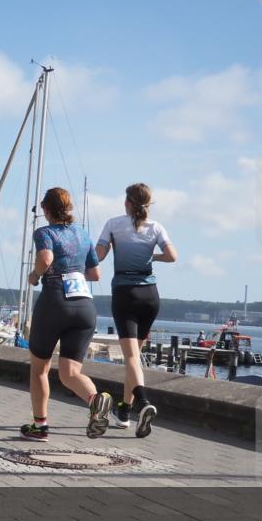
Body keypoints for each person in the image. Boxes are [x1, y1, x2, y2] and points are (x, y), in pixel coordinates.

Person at [21, 187, 112, 442]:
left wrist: (35, 275)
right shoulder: (83, 234)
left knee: (40, 369)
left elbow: (46, 258)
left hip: (54, 302)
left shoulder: (45, 232)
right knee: (70, 373)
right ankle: (95, 400)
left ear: (47, 210)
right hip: (84, 307)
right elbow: (95, 274)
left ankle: (40, 426)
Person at [95, 182, 177, 438]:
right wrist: (152, 257)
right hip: (150, 297)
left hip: (125, 295)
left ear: (127, 203)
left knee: (131, 358)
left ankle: (143, 402)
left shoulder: (113, 224)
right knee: (134, 361)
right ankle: (125, 411)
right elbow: (173, 256)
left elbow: (98, 256)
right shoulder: (156, 228)